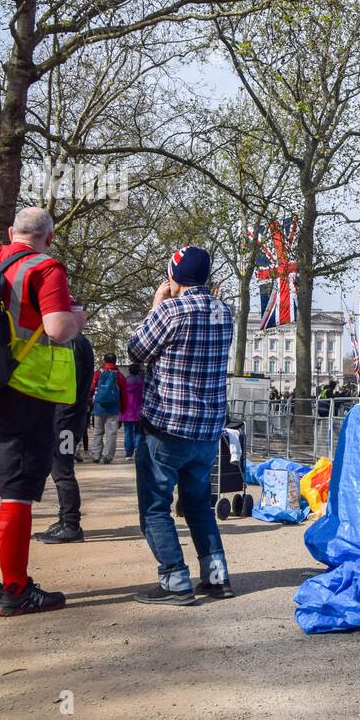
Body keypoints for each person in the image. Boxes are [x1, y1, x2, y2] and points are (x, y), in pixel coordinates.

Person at [0, 207, 85, 616]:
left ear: (13, 233)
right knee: (16, 494)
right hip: (24, 391)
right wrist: (78, 317)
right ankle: (15, 589)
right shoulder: (46, 268)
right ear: (49, 238)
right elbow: (57, 329)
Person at [128, 245, 234, 605]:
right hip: (207, 429)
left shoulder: (171, 310)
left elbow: (137, 350)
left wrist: (157, 304)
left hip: (168, 425)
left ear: (173, 276)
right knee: (198, 504)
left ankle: (174, 579)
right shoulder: (225, 312)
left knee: (155, 506)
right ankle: (216, 573)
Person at [37, 332, 94, 545]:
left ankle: (70, 524)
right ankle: (65, 520)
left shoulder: (72, 343)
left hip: (65, 421)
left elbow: (64, 382)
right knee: (62, 469)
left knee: (63, 471)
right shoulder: (78, 342)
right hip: (68, 419)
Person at [89, 352, 127, 464]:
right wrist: (123, 409)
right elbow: (124, 394)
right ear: (115, 362)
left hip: (98, 407)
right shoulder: (119, 375)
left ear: (104, 361)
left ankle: (96, 455)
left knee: (97, 431)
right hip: (113, 408)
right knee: (111, 433)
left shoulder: (98, 373)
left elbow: (91, 387)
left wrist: (89, 400)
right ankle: (107, 456)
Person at [120, 362, 144, 459]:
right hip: (139, 409)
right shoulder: (142, 381)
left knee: (128, 432)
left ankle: (128, 453)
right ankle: (138, 450)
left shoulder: (125, 381)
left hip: (127, 410)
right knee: (138, 432)